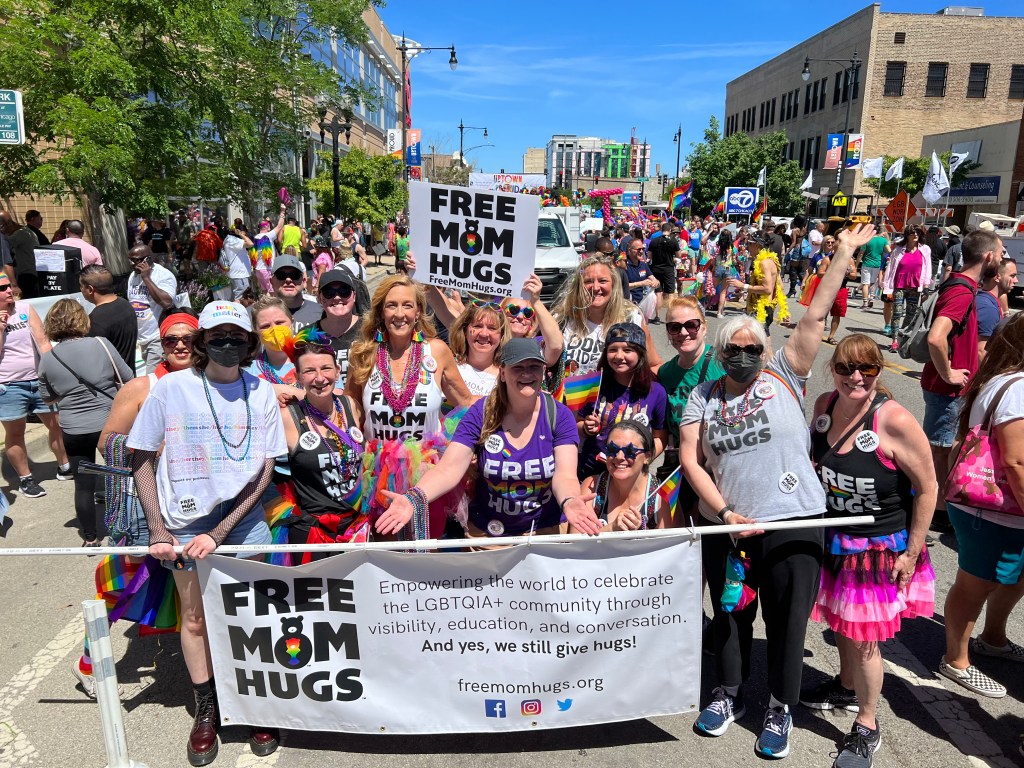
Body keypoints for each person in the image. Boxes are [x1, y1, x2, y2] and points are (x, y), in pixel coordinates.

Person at [682, 223, 875, 758]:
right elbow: (691, 460)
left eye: (752, 348)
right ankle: (729, 694)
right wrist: (725, 513)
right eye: (733, 348)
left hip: (794, 522)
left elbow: (814, 316)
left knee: (788, 623)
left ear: (765, 350)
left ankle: (781, 705)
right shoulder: (703, 395)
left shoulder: (785, 375)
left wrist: (843, 254)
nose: (743, 354)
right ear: (720, 352)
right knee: (730, 615)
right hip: (730, 528)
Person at [127, 301, 283, 765]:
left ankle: (254, 700)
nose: (228, 344)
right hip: (186, 519)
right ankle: (207, 707)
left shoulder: (261, 390)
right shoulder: (171, 388)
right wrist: (157, 528)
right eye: (218, 337)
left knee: (249, 615)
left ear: (250, 343)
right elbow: (141, 456)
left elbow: (264, 469)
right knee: (194, 618)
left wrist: (221, 531)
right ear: (202, 342)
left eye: (237, 337)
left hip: (243, 520)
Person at [799, 334, 936, 768]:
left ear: (879, 370)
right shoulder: (824, 406)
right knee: (841, 623)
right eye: (845, 368)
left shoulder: (893, 419)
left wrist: (911, 553)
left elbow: (929, 487)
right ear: (833, 369)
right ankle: (844, 686)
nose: (855, 377)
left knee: (862, 641)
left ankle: (867, 724)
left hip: (877, 548)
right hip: (834, 540)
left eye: (867, 368)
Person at [72, 308, 200, 699]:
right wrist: (153, 446)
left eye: (188, 338)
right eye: (171, 340)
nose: (180, 346)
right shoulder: (142, 387)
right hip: (147, 510)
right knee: (121, 583)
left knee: (198, 588)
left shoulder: (211, 382)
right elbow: (107, 440)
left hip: (196, 506)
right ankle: (89, 661)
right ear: (161, 344)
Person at [377, 338, 600, 542]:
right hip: (488, 536)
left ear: (543, 372)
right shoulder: (481, 413)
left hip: (543, 532)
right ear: (502, 373)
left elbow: (565, 475)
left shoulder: (559, 416)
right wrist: (415, 497)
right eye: (518, 367)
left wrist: (570, 500)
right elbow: (449, 469)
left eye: (534, 367)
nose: (527, 374)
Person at [345, 275, 473, 540]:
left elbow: (467, 402)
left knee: (425, 551)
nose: (400, 314)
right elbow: (351, 408)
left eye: (407, 305)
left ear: (418, 312)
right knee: (386, 552)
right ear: (381, 312)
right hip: (378, 477)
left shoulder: (436, 351)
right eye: (391, 305)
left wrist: (513, 399)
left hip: (428, 476)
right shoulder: (363, 353)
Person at [939, 311, 1024, 703]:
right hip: (991, 507)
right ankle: (956, 659)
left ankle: (993, 638)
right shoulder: (1018, 388)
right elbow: (1016, 461)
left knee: (1013, 577)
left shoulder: (1001, 379)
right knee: (975, 583)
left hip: (999, 509)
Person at [921, 229, 1002, 533]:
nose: (1002, 258)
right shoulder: (963, 291)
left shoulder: (963, 286)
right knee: (939, 450)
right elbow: (936, 337)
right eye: (1001, 253)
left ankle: (939, 507)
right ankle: (936, 511)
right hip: (947, 389)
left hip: (950, 388)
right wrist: (948, 373)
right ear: (988, 256)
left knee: (945, 448)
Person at [37, 299, 134, 545]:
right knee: (120, 477)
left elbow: (47, 398)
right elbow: (128, 376)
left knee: (83, 485)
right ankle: (124, 530)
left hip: (74, 429)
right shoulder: (101, 344)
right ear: (82, 319)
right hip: (109, 424)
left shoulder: (48, 358)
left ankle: (90, 537)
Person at [276, 328, 367, 562]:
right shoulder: (287, 416)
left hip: (357, 530)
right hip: (312, 534)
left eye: (326, 368)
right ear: (297, 377)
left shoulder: (351, 406)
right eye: (309, 371)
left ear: (337, 370)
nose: (319, 378)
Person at [0, 272, 69, 497]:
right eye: (2, 288)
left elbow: (43, 342)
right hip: (9, 386)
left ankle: (65, 466)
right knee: (15, 433)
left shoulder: (25, 309)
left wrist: (53, 374)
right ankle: (26, 479)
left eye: (9, 286)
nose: (9, 291)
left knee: (57, 424)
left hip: (38, 380)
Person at [658, 296, 726, 522]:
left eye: (691, 325)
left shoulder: (722, 364)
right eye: (675, 327)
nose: (683, 332)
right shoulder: (666, 373)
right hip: (682, 466)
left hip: (718, 466)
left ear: (704, 328)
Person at [577, 322, 667, 480]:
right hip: (591, 471)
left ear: (640, 353)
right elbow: (578, 423)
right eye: (612, 350)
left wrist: (643, 460)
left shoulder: (656, 392)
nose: (619, 356)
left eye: (627, 350)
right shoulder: (594, 384)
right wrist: (586, 428)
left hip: (630, 474)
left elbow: (660, 437)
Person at [554, 253, 660, 376]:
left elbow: (654, 365)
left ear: (613, 285)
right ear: (578, 286)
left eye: (602, 281)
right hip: (569, 388)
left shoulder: (631, 318)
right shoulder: (562, 320)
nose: (595, 287)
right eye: (588, 281)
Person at [581, 419, 671, 531]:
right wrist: (612, 528)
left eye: (630, 451)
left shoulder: (662, 496)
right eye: (612, 449)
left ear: (647, 457)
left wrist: (642, 529)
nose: (619, 456)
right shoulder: (592, 487)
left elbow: (673, 541)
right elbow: (576, 539)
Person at [127, 244, 178, 373]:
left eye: (135, 260)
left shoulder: (163, 275)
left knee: (153, 377)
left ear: (147, 259)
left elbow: (166, 303)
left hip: (157, 336)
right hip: (142, 336)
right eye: (130, 260)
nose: (131, 264)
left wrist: (146, 278)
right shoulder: (133, 275)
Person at [311, 268, 363, 389]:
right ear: (320, 298)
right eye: (329, 292)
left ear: (354, 296)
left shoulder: (370, 329)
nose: (337, 297)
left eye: (344, 291)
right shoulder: (308, 335)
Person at [728, 231, 788, 334]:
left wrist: (743, 286)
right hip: (763, 306)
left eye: (749, 243)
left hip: (762, 308)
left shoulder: (764, 263)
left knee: (759, 339)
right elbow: (780, 285)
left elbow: (767, 289)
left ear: (757, 245)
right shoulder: (771, 260)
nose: (747, 247)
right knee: (763, 338)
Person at [449, 300, 511, 397]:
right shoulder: (448, 366)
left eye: (492, 328)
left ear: (502, 335)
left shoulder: (507, 378)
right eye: (477, 326)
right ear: (465, 330)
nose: (484, 334)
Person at [881, 226, 931, 347]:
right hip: (899, 286)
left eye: (917, 233)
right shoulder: (898, 250)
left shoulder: (925, 249)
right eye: (912, 233)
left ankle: (902, 337)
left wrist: (926, 286)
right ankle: (894, 340)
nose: (915, 235)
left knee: (910, 314)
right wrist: (885, 285)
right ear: (907, 235)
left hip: (915, 286)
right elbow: (891, 268)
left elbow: (928, 268)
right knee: (897, 312)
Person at [80, 265, 137, 369]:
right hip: (129, 374)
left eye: (81, 286)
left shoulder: (96, 320)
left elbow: (92, 360)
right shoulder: (125, 304)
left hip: (112, 378)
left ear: (90, 289)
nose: (80, 289)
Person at [246, 295, 298, 392]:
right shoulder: (249, 373)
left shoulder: (315, 361)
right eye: (265, 326)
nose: (274, 329)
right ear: (256, 332)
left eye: (279, 322)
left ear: (292, 323)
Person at [977, 258, 1018, 359]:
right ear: (997, 277)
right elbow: (980, 351)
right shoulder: (988, 308)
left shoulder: (986, 300)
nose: (1016, 281)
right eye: (1012, 276)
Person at [271, 254, 322, 330]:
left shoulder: (322, 313)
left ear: (304, 281)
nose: (288, 280)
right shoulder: (259, 315)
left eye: (294, 275)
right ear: (271, 282)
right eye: (281, 275)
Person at [0, 211, 40, 298]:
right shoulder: (27, 232)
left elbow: (6, 258)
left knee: (26, 299)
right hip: (31, 271)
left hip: (26, 273)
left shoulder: (20, 233)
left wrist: (14, 285)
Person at [648, 222, 681, 323]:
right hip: (668, 269)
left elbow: (649, 256)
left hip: (656, 269)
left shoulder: (654, 241)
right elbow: (679, 255)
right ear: (670, 230)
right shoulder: (673, 241)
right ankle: (671, 318)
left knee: (658, 293)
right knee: (670, 293)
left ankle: (657, 317)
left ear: (661, 230)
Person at [251, 206, 286, 292]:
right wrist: (282, 212)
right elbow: (279, 226)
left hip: (258, 269)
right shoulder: (268, 236)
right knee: (271, 291)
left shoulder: (255, 238)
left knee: (264, 291)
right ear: (268, 227)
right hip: (267, 269)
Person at [219, 223, 254, 301]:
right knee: (240, 297)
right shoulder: (232, 240)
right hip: (239, 275)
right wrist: (241, 234)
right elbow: (250, 243)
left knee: (238, 297)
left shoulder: (229, 240)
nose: (246, 233)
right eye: (244, 231)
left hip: (237, 274)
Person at [858, 226, 890, 310]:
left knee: (865, 283)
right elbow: (889, 250)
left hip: (866, 263)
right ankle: (871, 299)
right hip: (877, 264)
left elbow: (861, 253)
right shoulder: (883, 240)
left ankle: (865, 303)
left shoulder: (867, 239)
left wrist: (857, 263)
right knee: (872, 282)